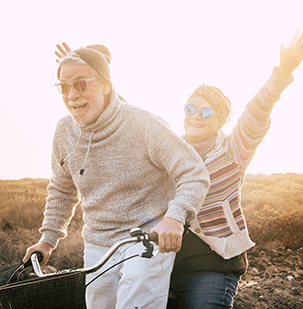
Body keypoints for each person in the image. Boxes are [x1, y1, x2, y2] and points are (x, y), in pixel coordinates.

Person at [23, 43, 210, 309]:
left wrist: (175, 218)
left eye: (81, 84)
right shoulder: (64, 131)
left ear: (107, 85)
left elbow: (194, 172)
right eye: (64, 87)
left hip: (146, 239)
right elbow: (62, 190)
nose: (72, 95)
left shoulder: (144, 125)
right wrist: (47, 240)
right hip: (98, 243)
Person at [166, 28, 303, 309]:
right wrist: (97, 81)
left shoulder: (233, 150)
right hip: (165, 267)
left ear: (220, 120)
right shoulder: (170, 150)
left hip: (212, 268)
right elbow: (135, 125)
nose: (196, 116)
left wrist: (281, 74)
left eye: (206, 112)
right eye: (190, 109)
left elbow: (256, 113)